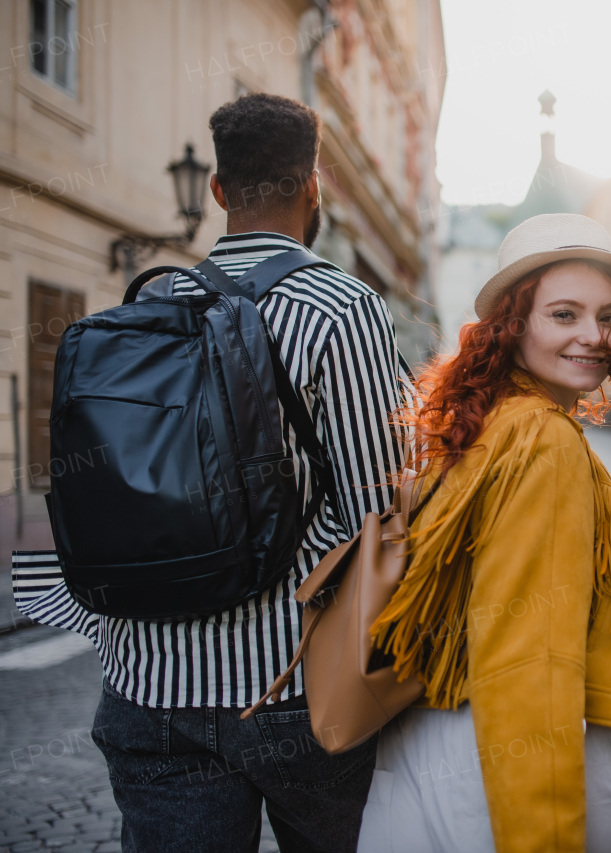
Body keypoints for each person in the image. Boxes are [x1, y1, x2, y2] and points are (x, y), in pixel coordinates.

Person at [13, 93, 405, 851]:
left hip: (147, 684)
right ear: (312, 184)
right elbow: (377, 503)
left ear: (219, 191)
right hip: (290, 685)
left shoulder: (147, 305)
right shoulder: (342, 306)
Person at [357, 213, 611, 853]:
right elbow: (526, 659)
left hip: (424, 747)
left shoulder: (488, 423)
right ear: (513, 327)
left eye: (609, 317)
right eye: (564, 314)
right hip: (502, 766)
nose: (594, 337)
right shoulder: (542, 441)